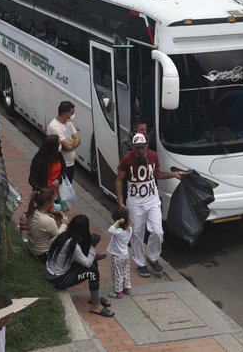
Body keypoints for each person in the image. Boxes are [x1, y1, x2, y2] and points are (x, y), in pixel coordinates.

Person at [115, 132, 186, 277]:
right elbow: (119, 179)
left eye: (142, 147)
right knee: (136, 233)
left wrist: (173, 174)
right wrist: (120, 201)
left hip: (152, 200)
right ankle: (140, 263)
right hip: (135, 202)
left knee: (157, 231)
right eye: (136, 148)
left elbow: (157, 174)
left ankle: (153, 257)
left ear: (147, 146)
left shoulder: (153, 156)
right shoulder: (127, 159)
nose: (139, 150)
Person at [45, 215, 114, 317]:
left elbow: (50, 244)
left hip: (50, 271)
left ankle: (94, 297)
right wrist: (93, 246)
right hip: (58, 279)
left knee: (93, 262)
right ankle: (96, 306)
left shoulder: (62, 235)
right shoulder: (73, 245)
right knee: (92, 271)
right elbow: (87, 263)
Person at [25, 188, 66, 263]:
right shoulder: (48, 221)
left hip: (32, 247)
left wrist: (52, 215)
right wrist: (64, 224)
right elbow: (58, 237)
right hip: (42, 254)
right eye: (53, 201)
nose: (54, 204)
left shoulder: (31, 211)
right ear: (47, 204)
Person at [48, 101, 81, 183]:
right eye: (72, 113)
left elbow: (78, 139)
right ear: (65, 114)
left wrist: (71, 142)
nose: (73, 115)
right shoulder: (54, 126)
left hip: (71, 164)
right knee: (62, 192)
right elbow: (68, 147)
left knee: (68, 189)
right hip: (61, 166)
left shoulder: (69, 123)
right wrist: (73, 140)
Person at [107, 206, 133, 298]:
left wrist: (117, 222)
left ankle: (118, 292)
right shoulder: (129, 229)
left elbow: (110, 230)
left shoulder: (118, 232)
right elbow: (125, 225)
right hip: (125, 254)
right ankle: (127, 288)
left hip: (117, 256)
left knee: (117, 273)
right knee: (126, 271)